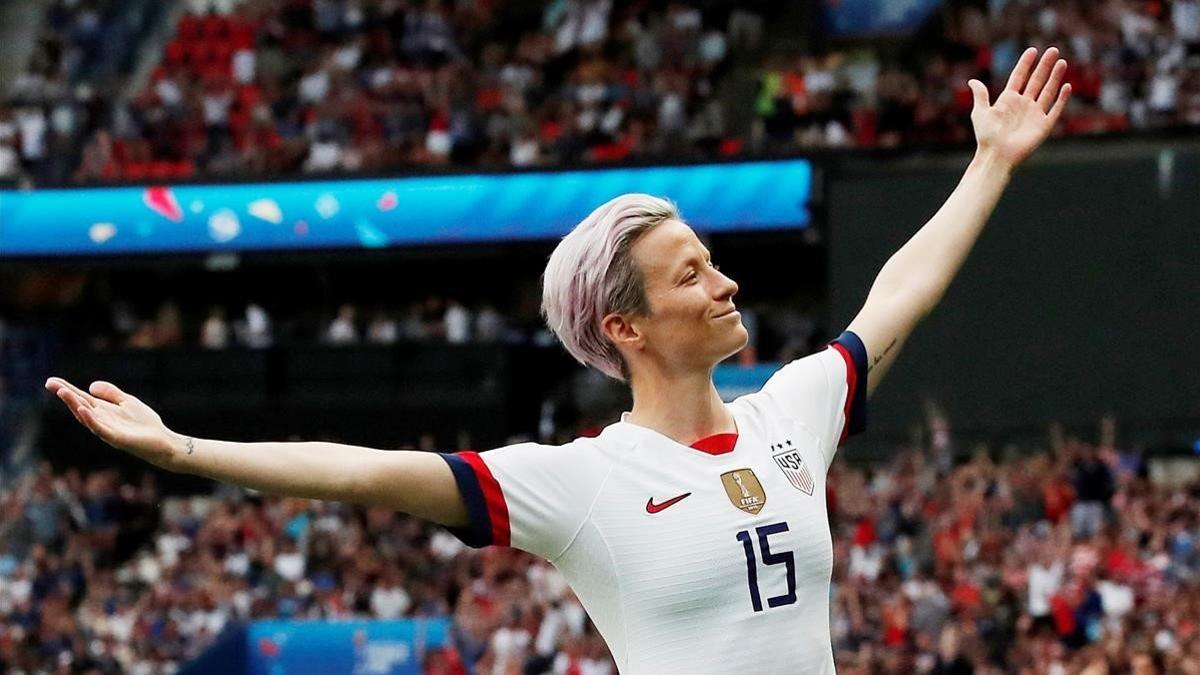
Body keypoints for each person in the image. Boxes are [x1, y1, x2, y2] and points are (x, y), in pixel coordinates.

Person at [45, 47, 1071, 674]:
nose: (725, 287)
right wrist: (183, 449)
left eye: (715, 265)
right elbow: (364, 470)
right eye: (690, 276)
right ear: (623, 328)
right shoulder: (579, 483)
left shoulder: (790, 412)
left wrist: (990, 164)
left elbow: (900, 293)